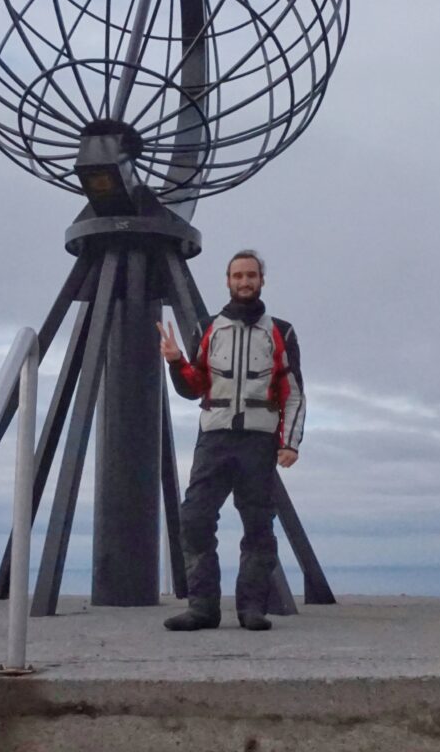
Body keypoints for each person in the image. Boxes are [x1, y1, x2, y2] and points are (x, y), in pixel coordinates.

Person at [156, 249, 304, 632]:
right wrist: (175, 361)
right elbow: (195, 388)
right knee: (195, 519)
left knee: (258, 524)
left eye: (251, 275)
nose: (244, 281)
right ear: (227, 280)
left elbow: (292, 393)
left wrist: (290, 442)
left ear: (261, 280)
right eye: (237, 275)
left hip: (259, 441)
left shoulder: (281, 331)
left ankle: (252, 608)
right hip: (215, 438)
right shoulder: (208, 328)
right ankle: (202, 607)